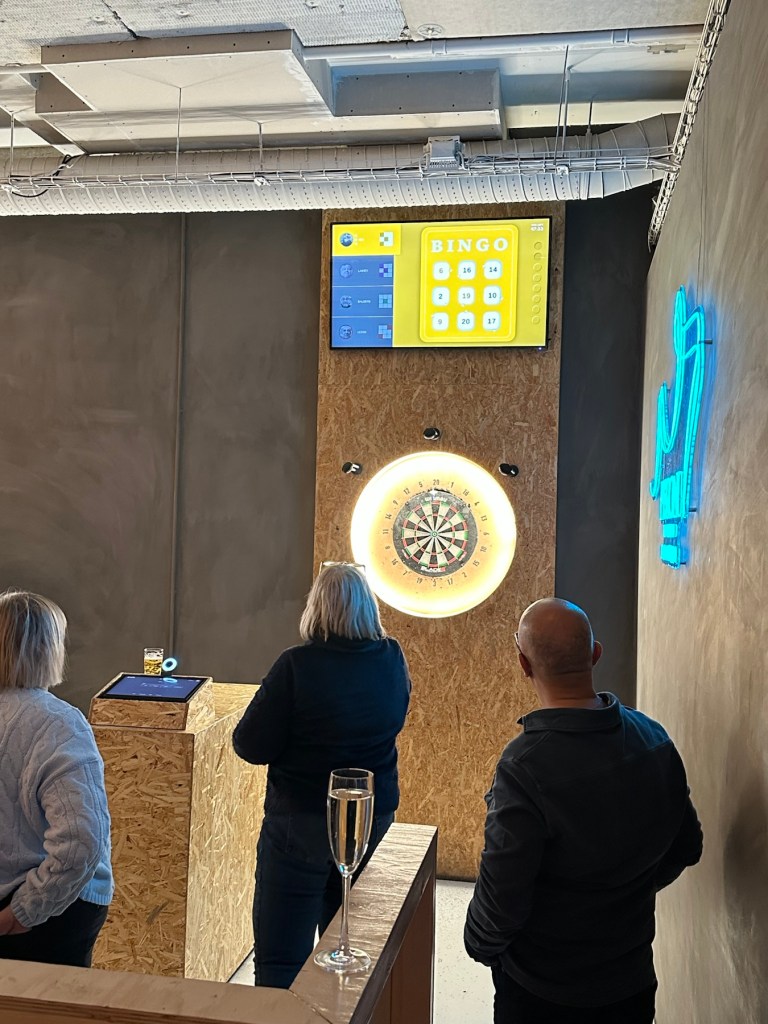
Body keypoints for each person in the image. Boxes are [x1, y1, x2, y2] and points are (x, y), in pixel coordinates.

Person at [465, 598, 703, 1024]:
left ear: (523, 664)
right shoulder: (653, 738)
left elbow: (503, 899)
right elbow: (687, 847)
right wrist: (624, 895)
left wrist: (478, 944)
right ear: (595, 653)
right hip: (631, 984)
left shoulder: (523, 767)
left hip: (541, 994)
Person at [233, 563, 411, 988]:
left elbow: (250, 744)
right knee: (352, 952)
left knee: (283, 959)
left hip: (300, 822)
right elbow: (397, 717)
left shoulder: (296, 666)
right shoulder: (391, 657)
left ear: (316, 607)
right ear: (370, 608)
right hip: (370, 820)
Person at [0, 590, 113, 967]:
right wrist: (22, 913)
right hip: (42, 916)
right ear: (48, 649)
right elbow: (80, 841)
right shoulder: (59, 724)